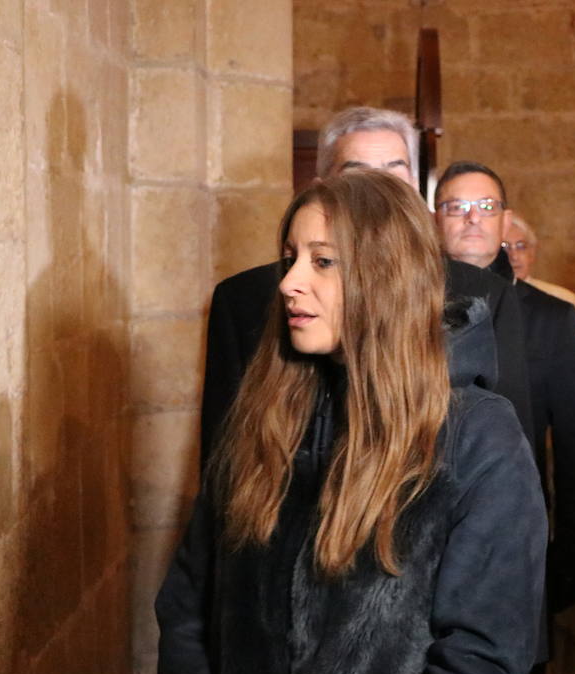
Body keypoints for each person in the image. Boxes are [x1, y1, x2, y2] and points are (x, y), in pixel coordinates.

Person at [153, 170, 546, 674]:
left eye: (323, 262)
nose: (289, 282)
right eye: (291, 258)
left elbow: (483, 663)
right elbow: (189, 605)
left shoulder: (477, 436)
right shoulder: (264, 416)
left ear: (385, 277)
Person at [199, 107, 532, 474]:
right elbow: (223, 461)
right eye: (357, 173)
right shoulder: (247, 297)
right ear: (321, 186)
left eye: (394, 170)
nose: (379, 187)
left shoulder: (481, 293)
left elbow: (508, 454)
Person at [433, 161, 575, 674]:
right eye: (456, 207)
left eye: (485, 207)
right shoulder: (406, 306)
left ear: (504, 220)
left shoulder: (550, 319)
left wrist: (574, 555)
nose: (472, 219)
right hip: (422, 544)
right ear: (436, 220)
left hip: (512, 549)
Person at [503, 213, 575, 331]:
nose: (514, 256)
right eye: (504, 247)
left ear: (532, 253)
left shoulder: (564, 300)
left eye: (521, 246)